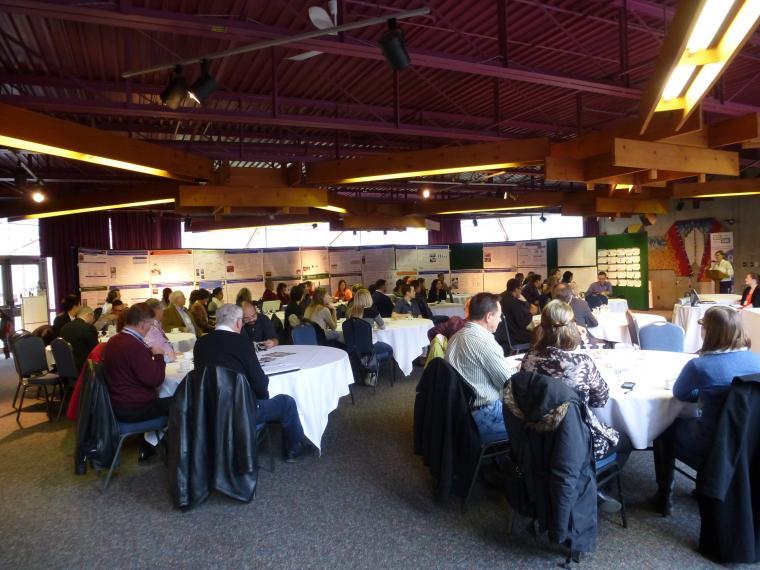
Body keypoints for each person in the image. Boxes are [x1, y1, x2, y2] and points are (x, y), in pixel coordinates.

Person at [519, 300, 630, 511]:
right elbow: (600, 400)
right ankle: (591, 489)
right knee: (626, 440)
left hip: (536, 438)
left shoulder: (529, 358)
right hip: (577, 443)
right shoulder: (581, 363)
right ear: (571, 327)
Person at [652, 305, 760, 516]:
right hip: (750, 438)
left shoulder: (700, 366)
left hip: (712, 442)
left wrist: (705, 394)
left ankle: (663, 496)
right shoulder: (757, 360)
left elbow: (681, 394)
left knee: (664, 430)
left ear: (708, 332)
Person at [193, 303, 309, 462]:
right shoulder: (241, 343)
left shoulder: (200, 344)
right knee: (286, 402)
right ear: (238, 323)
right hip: (240, 410)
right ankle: (294, 450)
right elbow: (259, 383)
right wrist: (262, 401)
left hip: (209, 409)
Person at [103, 303, 169, 461]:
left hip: (118, 404)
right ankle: (174, 454)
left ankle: (153, 447)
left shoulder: (114, 340)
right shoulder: (133, 345)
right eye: (151, 324)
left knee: (173, 400)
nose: (151, 328)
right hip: (134, 409)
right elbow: (154, 380)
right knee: (183, 402)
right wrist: (159, 356)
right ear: (143, 324)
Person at [445, 293, 511, 443]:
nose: (500, 320)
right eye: (499, 316)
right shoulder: (485, 343)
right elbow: (509, 384)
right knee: (534, 426)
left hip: (460, 412)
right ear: (489, 316)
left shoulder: (457, 336)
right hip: (484, 417)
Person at [60, 306, 98, 372]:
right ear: (89, 315)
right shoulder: (89, 328)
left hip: (65, 365)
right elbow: (95, 349)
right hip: (84, 367)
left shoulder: (65, 327)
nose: (93, 320)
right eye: (93, 317)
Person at [499, 278, 533, 346]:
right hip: (514, 336)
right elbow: (522, 323)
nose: (521, 292)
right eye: (520, 289)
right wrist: (530, 313)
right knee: (538, 335)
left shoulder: (500, 297)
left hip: (502, 335)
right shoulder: (514, 302)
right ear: (516, 289)